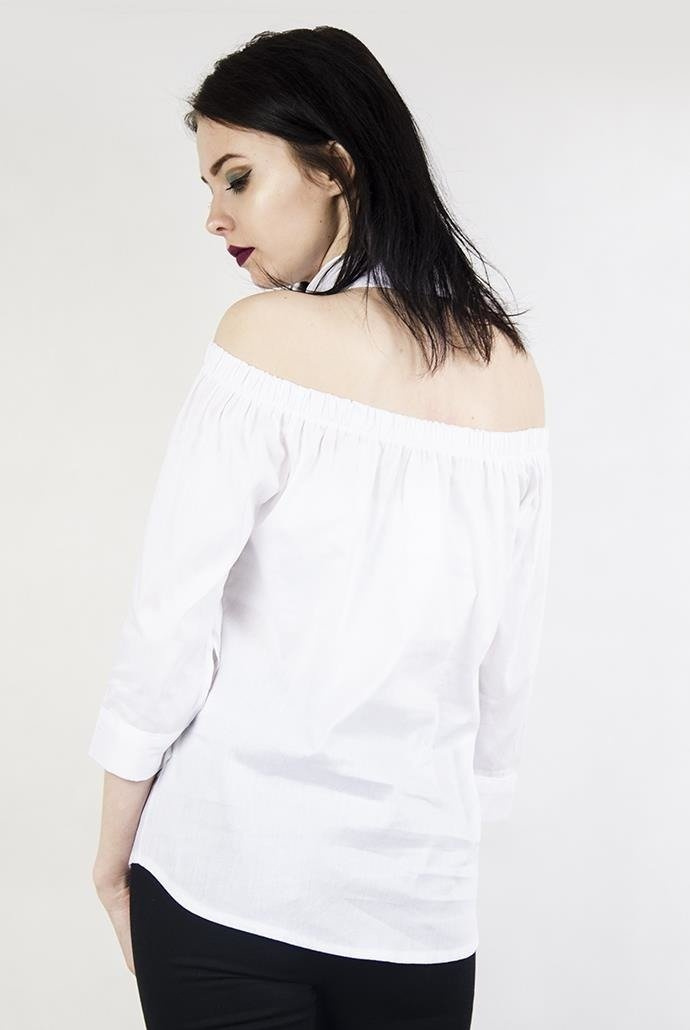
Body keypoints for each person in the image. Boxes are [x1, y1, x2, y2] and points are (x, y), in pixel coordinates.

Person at [88, 25, 552, 1030]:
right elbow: (505, 665)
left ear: (335, 166)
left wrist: (112, 854)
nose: (214, 217)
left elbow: (170, 623)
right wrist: (440, 834)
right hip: (419, 911)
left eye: (238, 177)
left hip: (225, 881)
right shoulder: (510, 369)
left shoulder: (264, 339)